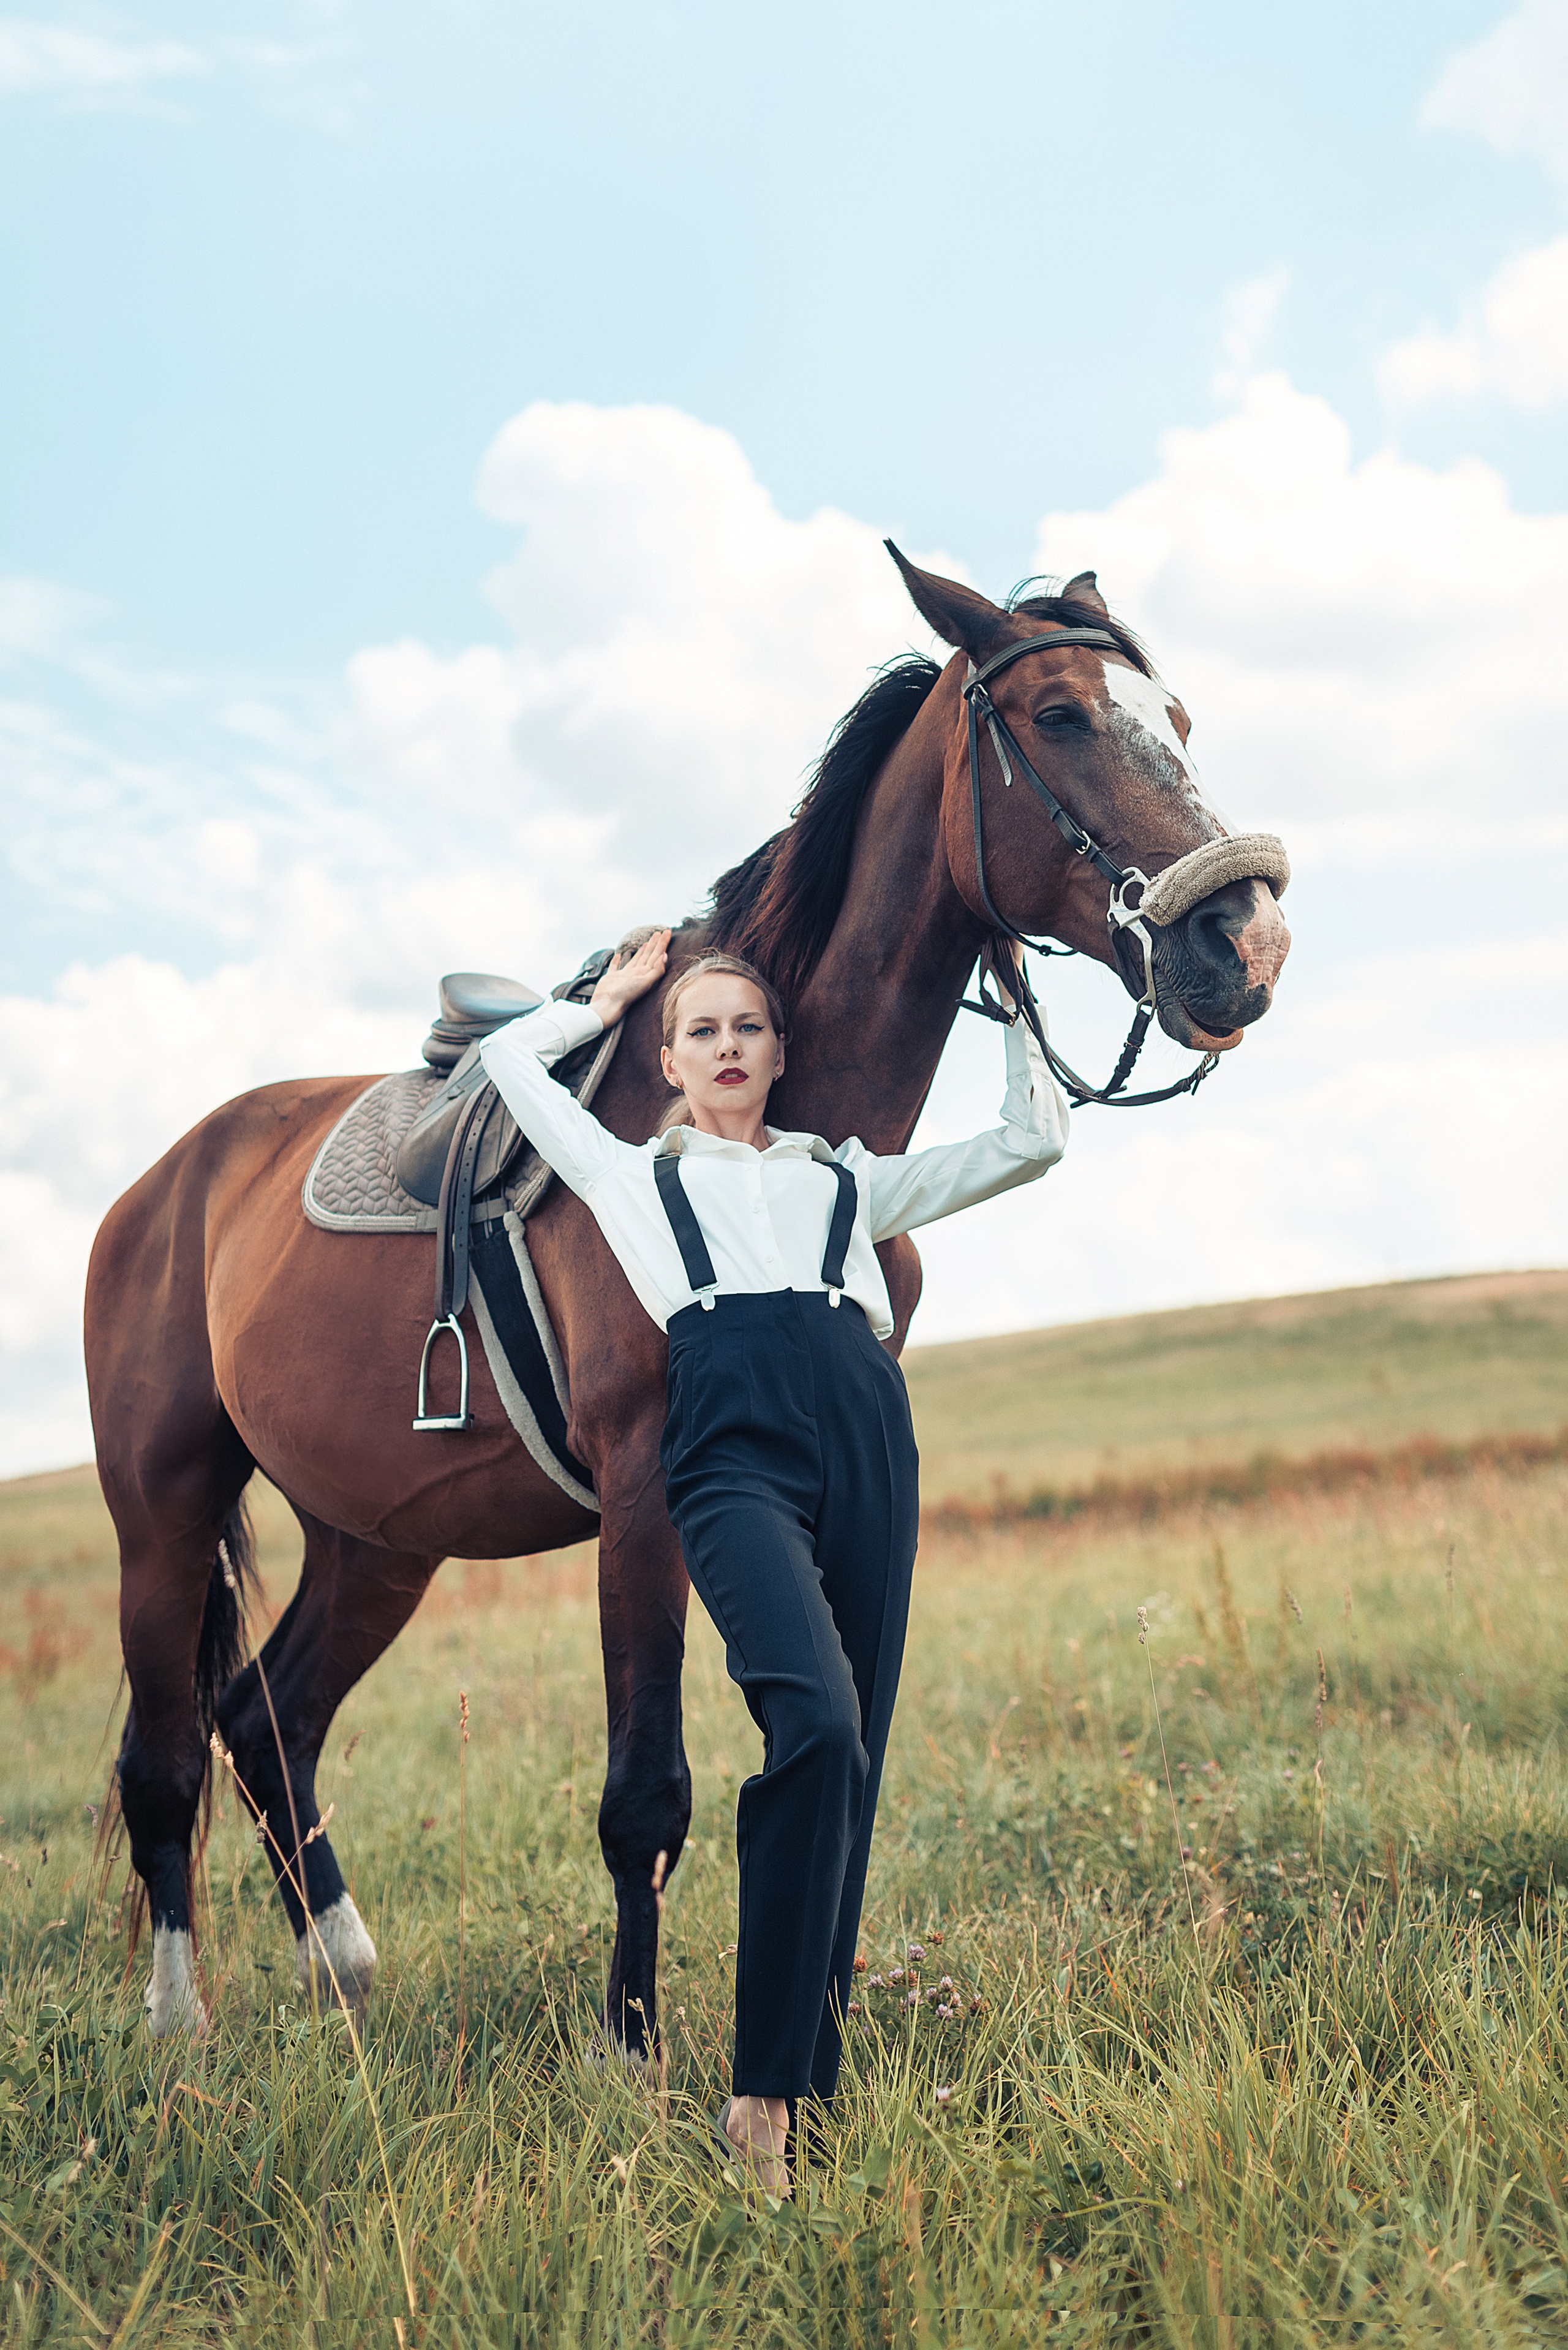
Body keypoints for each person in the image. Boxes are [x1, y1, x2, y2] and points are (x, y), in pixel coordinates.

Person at [479, 930, 1069, 2194]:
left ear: (779, 1052)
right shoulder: (634, 1177)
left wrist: (1013, 1005)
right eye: (701, 1031)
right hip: (730, 1440)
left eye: (747, 1026)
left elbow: (1033, 1141)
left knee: (858, 1752)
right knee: (811, 1725)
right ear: (671, 1063)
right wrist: (610, 998)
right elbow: (502, 1066)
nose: (727, 1046)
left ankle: (808, 2067)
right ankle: (758, 2097)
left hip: (864, 1429)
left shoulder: (845, 1183)